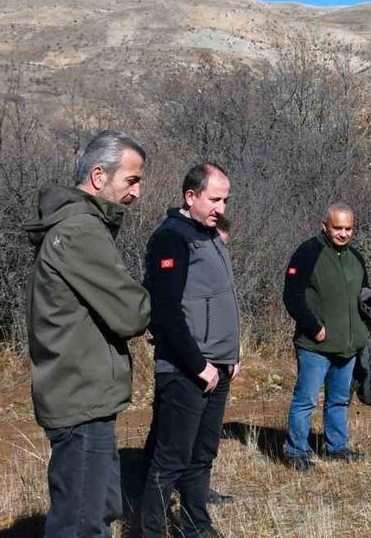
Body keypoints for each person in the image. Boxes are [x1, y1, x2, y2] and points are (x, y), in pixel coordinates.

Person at [24, 130, 152, 538]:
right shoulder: (80, 230)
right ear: (99, 176)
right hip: (79, 397)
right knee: (80, 524)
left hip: (83, 395)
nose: (138, 192)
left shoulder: (76, 225)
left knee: (95, 511)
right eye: (131, 180)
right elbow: (131, 313)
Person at [139, 162, 240, 538]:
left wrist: (232, 354)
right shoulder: (171, 237)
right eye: (214, 199)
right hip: (185, 370)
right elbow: (165, 312)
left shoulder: (210, 234)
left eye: (225, 200)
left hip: (218, 366)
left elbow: (217, 300)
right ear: (190, 196)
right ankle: (152, 531)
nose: (221, 208)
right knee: (170, 460)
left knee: (201, 456)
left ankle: (197, 527)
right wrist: (198, 365)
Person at [282, 203, 371, 471]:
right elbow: (292, 295)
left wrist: (364, 326)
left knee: (339, 400)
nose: (343, 234)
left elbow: (364, 292)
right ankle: (296, 451)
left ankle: (337, 447)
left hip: (348, 345)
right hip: (315, 345)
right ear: (325, 226)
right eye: (338, 228)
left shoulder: (356, 257)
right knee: (306, 400)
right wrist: (314, 327)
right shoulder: (307, 252)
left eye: (348, 229)